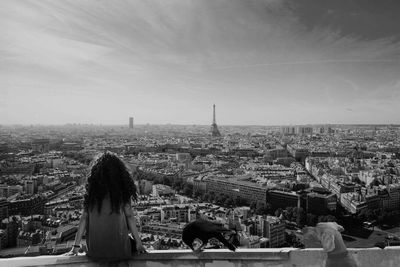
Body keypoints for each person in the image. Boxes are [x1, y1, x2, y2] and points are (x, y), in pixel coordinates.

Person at [65, 152, 146, 259]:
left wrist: (75, 247)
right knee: (129, 240)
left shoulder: (92, 194)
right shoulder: (122, 192)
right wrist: (139, 244)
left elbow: (84, 219)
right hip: (119, 250)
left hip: (95, 251)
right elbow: (130, 217)